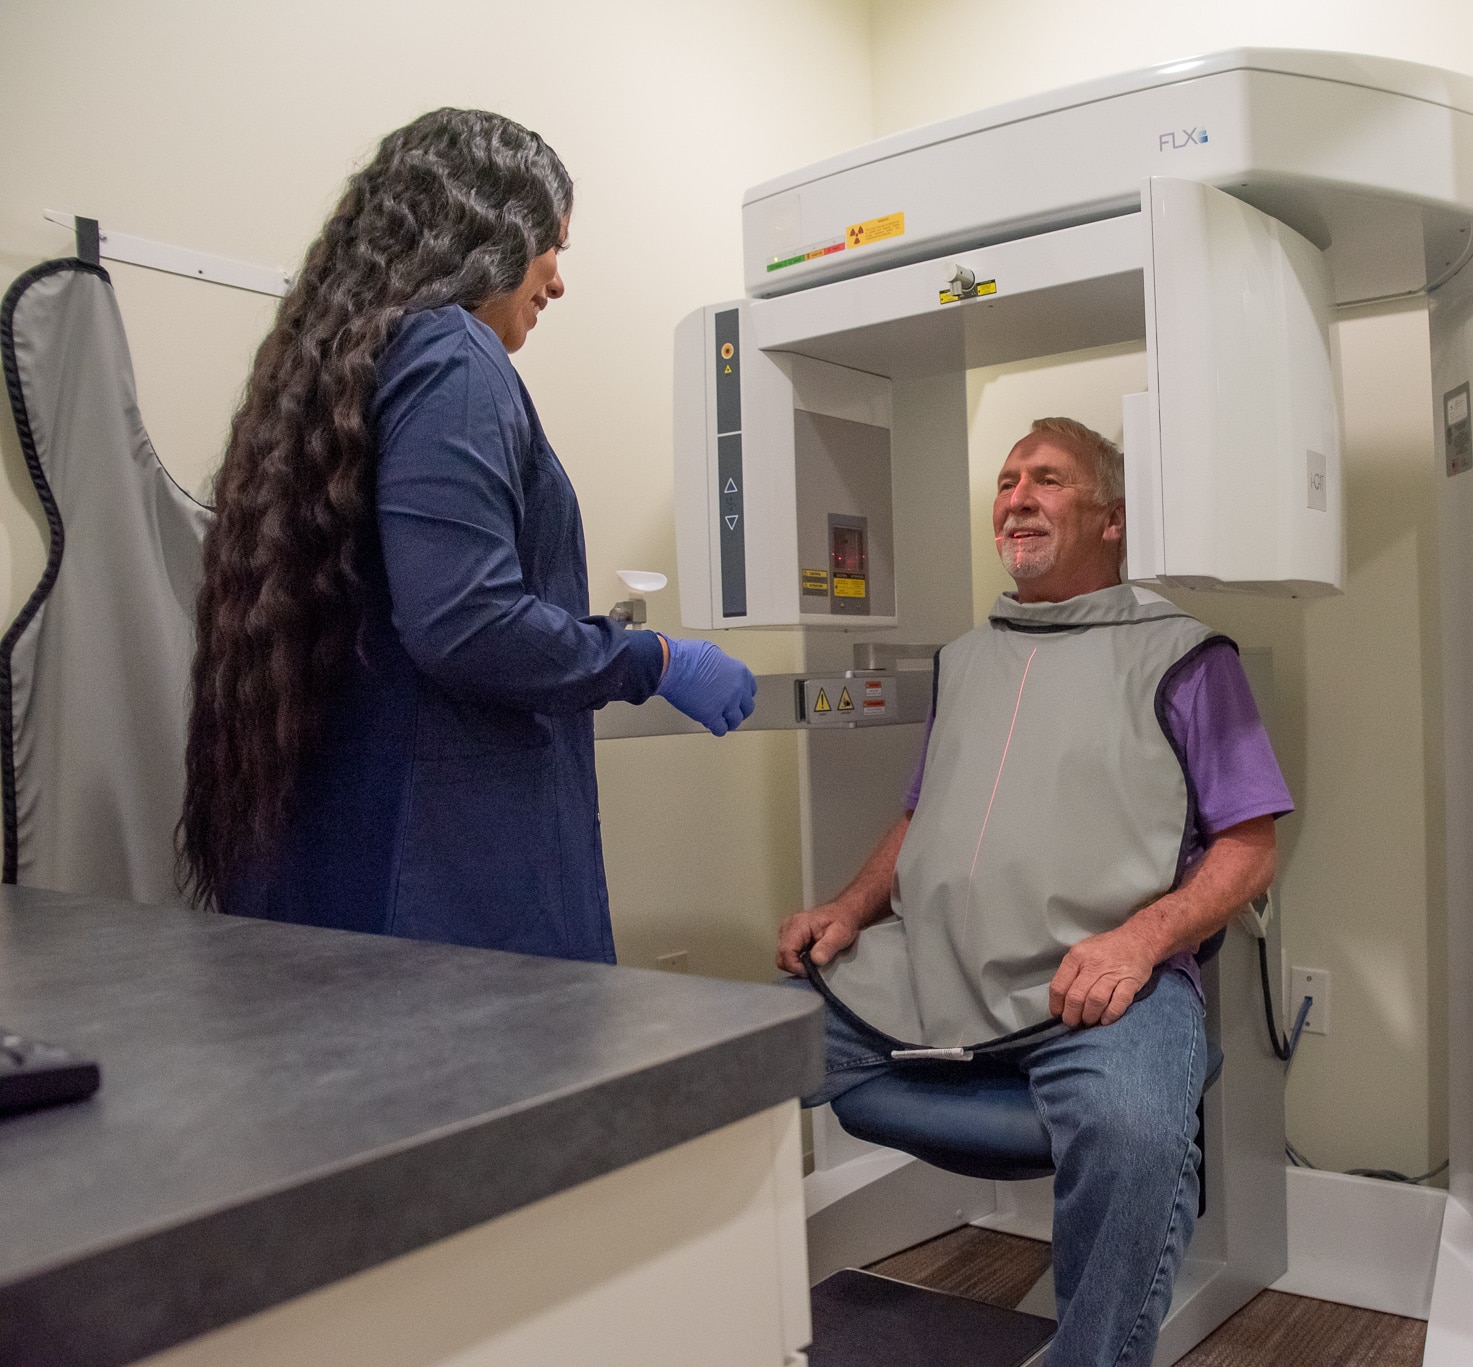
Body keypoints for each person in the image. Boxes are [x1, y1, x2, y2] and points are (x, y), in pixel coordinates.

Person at [777, 417, 1293, 1366]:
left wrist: (1138, 943)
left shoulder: (1184, 656)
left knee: (1137, 1129)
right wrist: (849, 909)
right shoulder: (968, 657)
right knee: (739, 1050)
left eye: (1047, 480)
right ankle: (735, 1322)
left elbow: (1250, 848)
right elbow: (920, 815)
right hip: (928, 969)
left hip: (1096, 992)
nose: (1016, 497)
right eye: (1008, 481)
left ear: (1113, 520)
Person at [182, 109, 754, 962]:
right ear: (485, 235)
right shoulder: (453, 357)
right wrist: (653, 660)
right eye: (550, 247)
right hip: (451, 907)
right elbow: (468, 621)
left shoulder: (344, 368)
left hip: (339, 888)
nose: (556, 281)